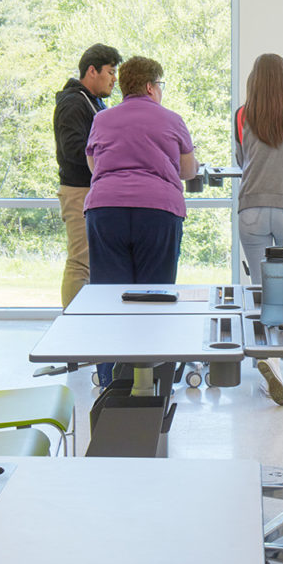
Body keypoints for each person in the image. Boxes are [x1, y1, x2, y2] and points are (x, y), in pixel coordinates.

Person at [85, 56, 198, 385]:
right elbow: (188, 171)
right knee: (155, 297)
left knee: (109, 298)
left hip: (106, 211)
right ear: (150, 86)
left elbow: (94, 165)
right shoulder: (171, 120)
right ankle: (152, 382)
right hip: (157, 212)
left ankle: (111, 382)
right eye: (160, 85)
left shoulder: (103, 120)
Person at [234, 53, 283, 406]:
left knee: (261, 291)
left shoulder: (242, 115)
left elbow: (240, 158)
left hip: (252, 207)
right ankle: (281, 359)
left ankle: (270, 361)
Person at [55, 43, 121, 310]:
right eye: (111, 71)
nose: (115, 79)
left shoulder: (95, 103)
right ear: (92, 71)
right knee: (80, 262)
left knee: (93, 263)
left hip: (93, 192)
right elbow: (72, 150)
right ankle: (72, 326)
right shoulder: (73, 103)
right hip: (79, 191)